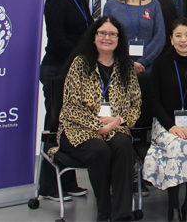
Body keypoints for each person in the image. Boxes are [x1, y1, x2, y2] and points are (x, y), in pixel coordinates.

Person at [53, 16, 141, 222]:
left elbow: (135, 105)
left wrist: (116, 123)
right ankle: (104, 210)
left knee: (123, 145)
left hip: (115, 127)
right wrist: (97, 126)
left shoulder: (126, 66)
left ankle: (122, 214)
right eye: (102, 33)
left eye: (112, 34)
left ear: (119, 39)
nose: (107, 38)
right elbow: (71, 107)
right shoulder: (80, 63)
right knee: (99, 150)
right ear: (93, 37)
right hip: (78, 129)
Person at [143, 17, 187, 222]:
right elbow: (155, 100)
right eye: (178, 36)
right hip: (165, 124)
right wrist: (172, 127)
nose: (183, 40)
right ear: (172, 40)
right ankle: (173, 208)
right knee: (174, 146)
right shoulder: (161, 63)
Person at [39, 0, 92, 200]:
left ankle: (67, 182)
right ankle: (49, 187)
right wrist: (81, 60)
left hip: (74, 72)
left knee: (69, 128)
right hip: (57, 70)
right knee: (54, 126)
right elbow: (57, 39)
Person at [104, 0, 166, 74]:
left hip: (147, 69)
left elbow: (160, 38)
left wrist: (143, 62)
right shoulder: (111, 6)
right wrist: (128, 63)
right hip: (119, 69)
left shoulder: (154, 5)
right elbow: (107, 38)